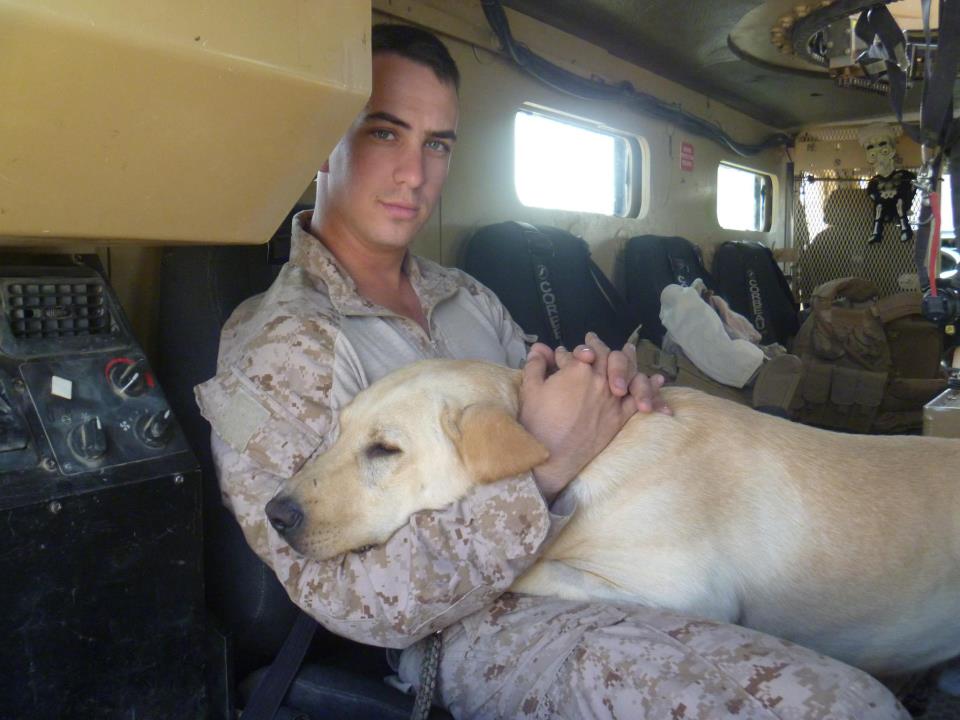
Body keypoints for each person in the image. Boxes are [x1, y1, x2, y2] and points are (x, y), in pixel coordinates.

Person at [195, 23, 908, 719]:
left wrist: (609, 397)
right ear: (324, 141)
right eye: (385, 132)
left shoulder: (464, 295)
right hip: (462, 627)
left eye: (437, 144)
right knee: (843, 707)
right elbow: (354, 600)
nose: (414, 174)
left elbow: (550, 413)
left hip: (583, 552)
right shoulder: (281, 342)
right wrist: (547, 468)